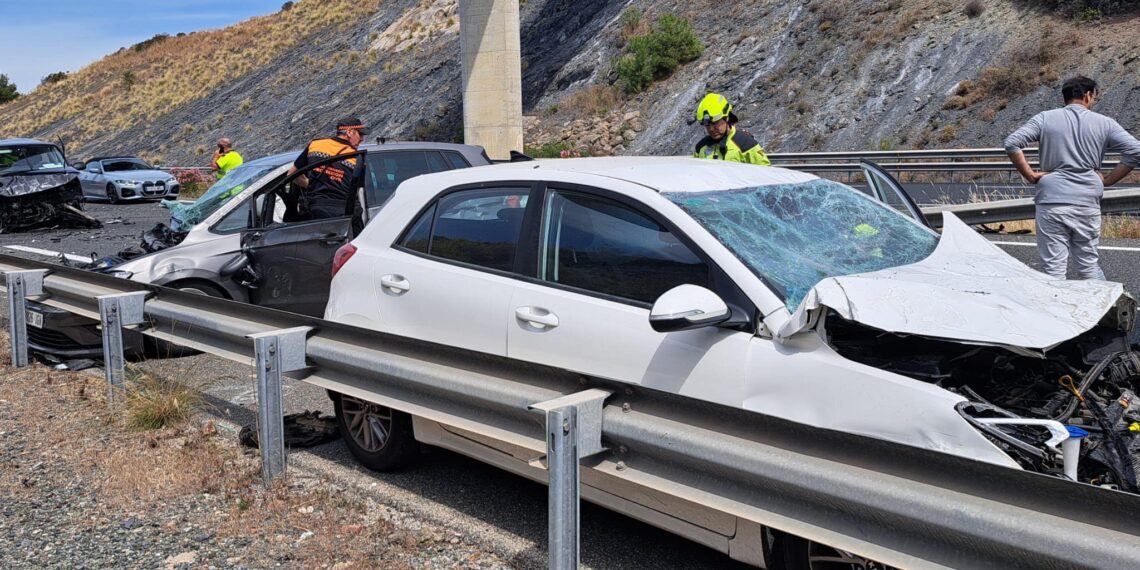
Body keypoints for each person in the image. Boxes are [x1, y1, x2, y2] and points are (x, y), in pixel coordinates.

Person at [1005, 76, 1140, 280]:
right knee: (1088, 265)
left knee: (1053, 270)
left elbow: (1012, 143)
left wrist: (1031, 175)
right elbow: (1135, 151)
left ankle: (1057, 311)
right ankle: (1103, 309)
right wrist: (1108, 180)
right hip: (1086, 200)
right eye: (1094, 96)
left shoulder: (1045, 118)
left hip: (1052, 200)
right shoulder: (1105, 123)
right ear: (1087, 95)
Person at [288, 117, 370, 219]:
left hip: (317, 210)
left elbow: (292, 173)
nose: (362, 139)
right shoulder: (357, 157)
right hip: (344, 213)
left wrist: (312, 186)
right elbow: (357, 191)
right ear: (349, 132)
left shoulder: (315, 145)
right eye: (360, 134)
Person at [693, 93, 771, 166]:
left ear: (726, 118)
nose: (711, 129)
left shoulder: (745, 144)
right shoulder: (701, 147)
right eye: (707, 125)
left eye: (715, 123)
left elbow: (765, 173)